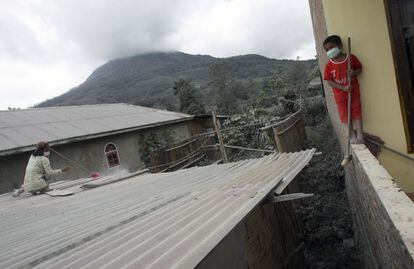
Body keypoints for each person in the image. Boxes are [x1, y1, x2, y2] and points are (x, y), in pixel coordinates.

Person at [323, 35, 364, 144]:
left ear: (340, 46)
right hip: (340, 96)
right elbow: (329, 81)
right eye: (327, 50)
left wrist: (354, 73)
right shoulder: (329, 65)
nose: (329, 51)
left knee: (356, 112)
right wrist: (343, 88)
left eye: (331, 47)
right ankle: (352, 136)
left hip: (353, 92)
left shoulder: (351, 58)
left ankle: (360, 135)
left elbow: (359, 68)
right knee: (345, 115)